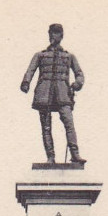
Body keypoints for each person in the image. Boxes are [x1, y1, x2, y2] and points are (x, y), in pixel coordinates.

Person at [20, 23, 86, 164]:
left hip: (63, 94)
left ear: (61, 36)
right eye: (51, 32)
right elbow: (30, 71)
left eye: (56, 33)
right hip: (44, 94)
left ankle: (75, 154)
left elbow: (79, 74)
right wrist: (26, 82)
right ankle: (50, 157)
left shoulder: (69, 56)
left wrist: (77, 83)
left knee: (69, 124)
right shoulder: (40, 55)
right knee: (46, 126)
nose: (53, 35)